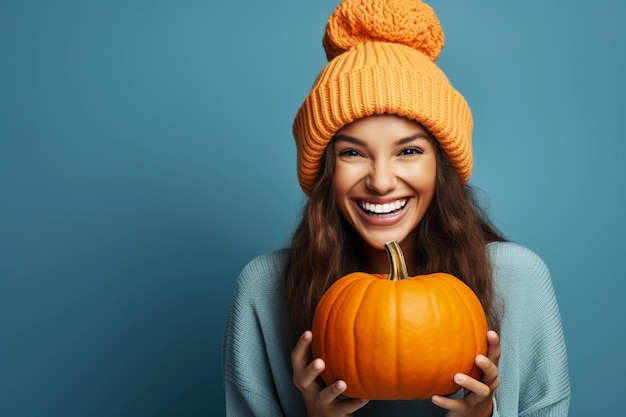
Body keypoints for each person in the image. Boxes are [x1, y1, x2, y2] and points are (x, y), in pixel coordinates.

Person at [222, 0, 570, 415]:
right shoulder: (265, 288)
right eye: (352, 153)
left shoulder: (516, 279)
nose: (381, 181)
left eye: (408, 150)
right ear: (325, 170)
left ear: (440, 165)